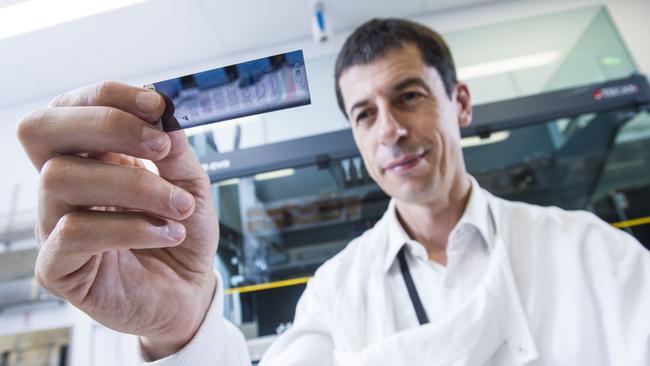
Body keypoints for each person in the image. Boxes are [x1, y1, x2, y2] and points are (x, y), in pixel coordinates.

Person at [16, 18, 650, 366]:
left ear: (459, 103)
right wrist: (182, 328)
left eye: (408, 96)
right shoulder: (336, 292)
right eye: (365, 114)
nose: (392, 130)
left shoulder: (593, 253)